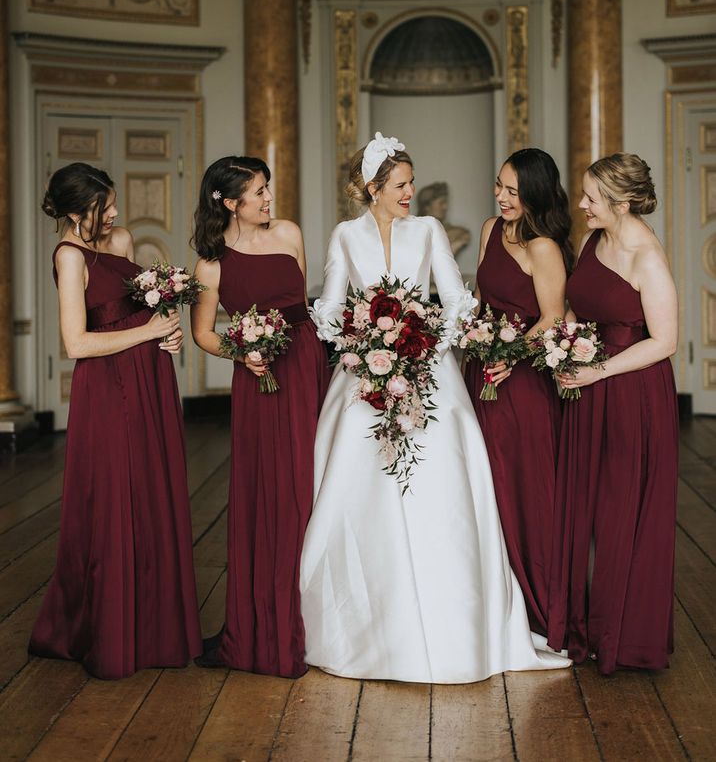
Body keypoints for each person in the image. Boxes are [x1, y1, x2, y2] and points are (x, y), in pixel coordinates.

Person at [300, 133, 571, 683]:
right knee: (356, 489)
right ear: (372, 188)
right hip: (362, 374)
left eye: (411, 183)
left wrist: (417, 343)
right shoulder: (345, 236)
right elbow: (328, 305)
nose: (411, 192)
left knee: (441, 489)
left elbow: (456, 301)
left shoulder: (428, 232)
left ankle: (461, 623)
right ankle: (362, 624)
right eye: (400, 185)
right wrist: (357, 342)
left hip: (430, 373)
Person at [29, 163, 201, 679]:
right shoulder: (68, 257)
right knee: (113, 498)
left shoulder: (121, 241)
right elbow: (76, 344)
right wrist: (147, 333)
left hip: (149, 381)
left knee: (151, 493)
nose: (118, 213)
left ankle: (155, 628)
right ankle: (108, 631)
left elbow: (135, 311)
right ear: (79, 211)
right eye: (106, 205)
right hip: (105, 391)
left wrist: (166, 334)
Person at [190, 156, 329, 678]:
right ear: (229, 203)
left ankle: (318, 616)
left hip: (308, 363)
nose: (269, 199)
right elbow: (205, 333)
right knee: (274, 490)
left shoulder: (289, 233)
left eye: (268, 188)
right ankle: (265, 623)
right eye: (258, 192)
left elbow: (303, 307)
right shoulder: (211, 263)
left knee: (316, 478)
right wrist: (241, 353)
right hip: (262, 379)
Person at [547, 153, 679, 674]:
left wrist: (597, 371)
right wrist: (566, 347)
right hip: (586, 384)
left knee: (624, 508)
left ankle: (624, 637)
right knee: (584, 505)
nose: (581, 205)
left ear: (621, 203)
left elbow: (666, 342)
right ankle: (582, 625)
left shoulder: (648, 256)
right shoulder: (591, 241)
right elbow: (580, 304)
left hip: (631, 393)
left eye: (591, 198)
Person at [465, 148, 572, 636]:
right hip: (481, 372)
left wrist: (510, 355)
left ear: (534, 194)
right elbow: (482, 300)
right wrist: (474, 340)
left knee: (525, 489)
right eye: (498, 186)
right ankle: (493, 600)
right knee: (482, 484)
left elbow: (551, 317)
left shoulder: (544, 247)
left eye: (513, 191)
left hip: (524, 382)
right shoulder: (490, 230)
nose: (502, 197)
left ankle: (539, 607)